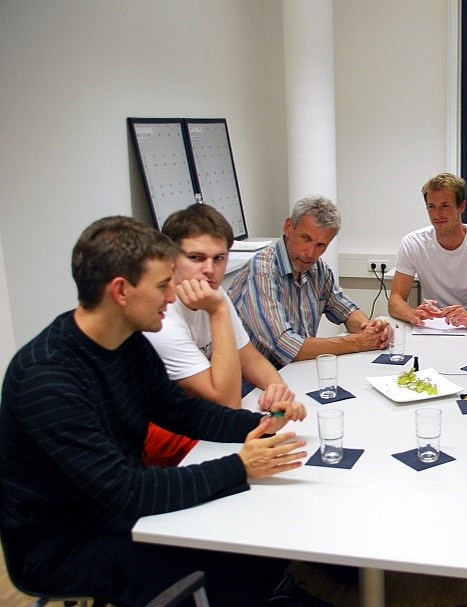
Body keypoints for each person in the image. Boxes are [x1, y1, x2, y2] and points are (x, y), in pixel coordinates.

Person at [0, 216, 326, 607]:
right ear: (120, 290)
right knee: (228, 555)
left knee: (253, 535)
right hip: (63, 543)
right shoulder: (47, 379)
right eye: (161, 286)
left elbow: (184, 413)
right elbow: (129, 491)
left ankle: (271, 591)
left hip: (115, 506)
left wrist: (264, 423)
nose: (172, 297)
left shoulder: (128, 342)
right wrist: (241, 465)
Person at [142, 203, 296, 466]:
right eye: (196, 258)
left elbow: (250, 358)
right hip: (167, 443)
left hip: (204, 428)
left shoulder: (212, 292)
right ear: (169, 259)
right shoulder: (162, 316)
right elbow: (227, 403)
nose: (210, 270)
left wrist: (276, 387)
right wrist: (218, 312)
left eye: (219, 258)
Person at [228, 195, 390, 368]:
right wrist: (357, 342)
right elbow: (287, 346)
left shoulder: (319, 269)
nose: (311, 253)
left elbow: (346, 310)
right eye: (306, 239)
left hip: (294, 371)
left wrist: (370, 329)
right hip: (247, 382)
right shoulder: (261, 273)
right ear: (288, 227)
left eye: (321, 245)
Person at [388, 172, 467, 328]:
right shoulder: (413, 243)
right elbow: (395, 300)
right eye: (431, 207)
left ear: (461, 207)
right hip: (431, 327)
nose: (437, 214)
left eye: (445, 206)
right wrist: (412, 313)